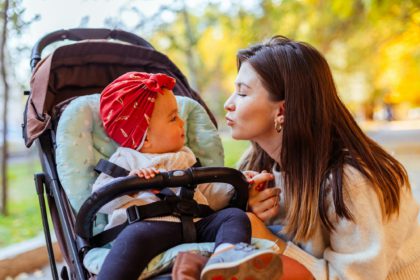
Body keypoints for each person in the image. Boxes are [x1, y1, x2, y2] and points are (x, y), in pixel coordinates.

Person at [224, 35, 420, 279]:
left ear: (282, 110)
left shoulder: (350, 181)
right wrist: (245, 209)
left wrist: (269, 240)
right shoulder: (255, 164)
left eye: (242, 94)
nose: (228, 104)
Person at [92, 71, 282, 280]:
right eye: (173, 118)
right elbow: (100, 199)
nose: (182, 122)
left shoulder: (186, 156)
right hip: (149, 228)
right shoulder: (125, 160)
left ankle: (226, 261)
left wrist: (239, 184)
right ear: (144, 137)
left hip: (195, 224)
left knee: (234, 217)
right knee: (132, 237)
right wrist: (131, 183)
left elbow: (210, 194)